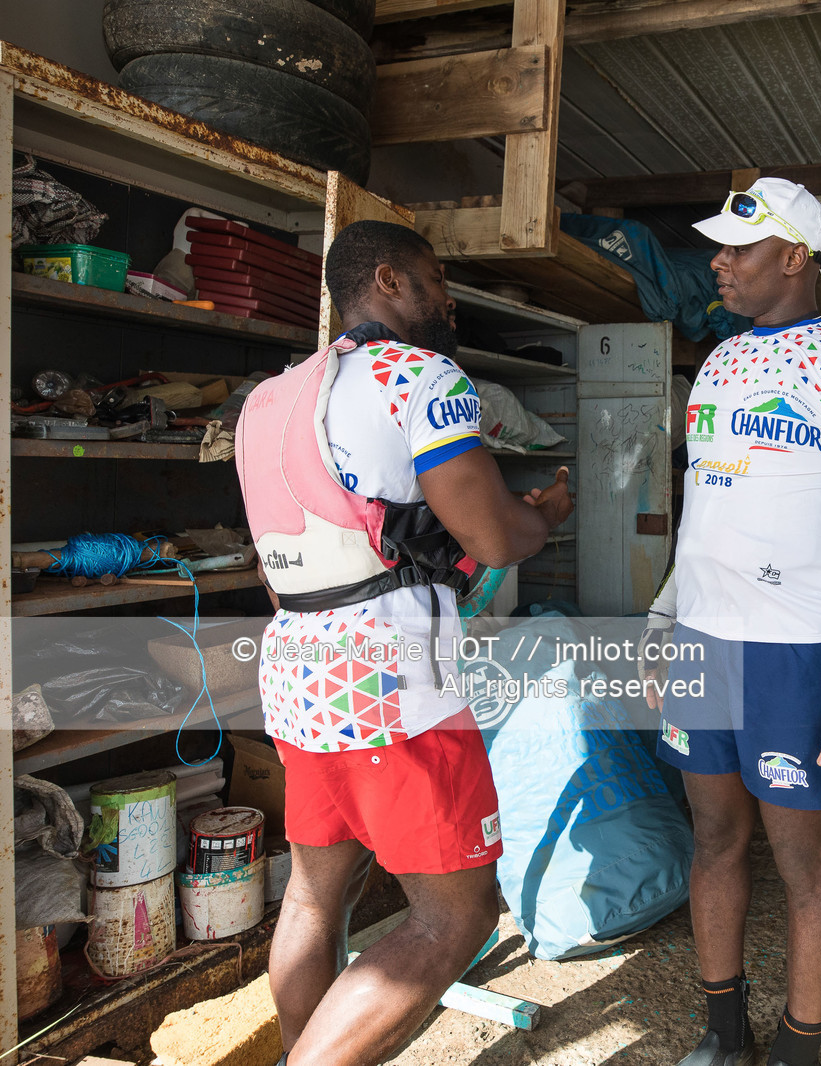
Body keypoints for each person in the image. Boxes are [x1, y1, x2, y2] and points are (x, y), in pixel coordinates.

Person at [234, 220, 573, 1066]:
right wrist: (543, 519)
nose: (448, 297)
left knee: (314, 902)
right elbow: (494, 539)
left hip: (296, 672)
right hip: (389, 683)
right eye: (434, 277)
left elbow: (285, 568)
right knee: (454, 915)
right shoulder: (421, 376)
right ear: (385, 279)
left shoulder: (268, 398)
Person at [642, 178, 821, 1066]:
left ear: (795, 256)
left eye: (739, 248)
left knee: (804, 865)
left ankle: (798, 1050)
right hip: (706, 641)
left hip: (800, 653)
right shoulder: (718, 362)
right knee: (716, 839)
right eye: (718, 246)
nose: (718, 262)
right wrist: (663, 615)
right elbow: (704, 513)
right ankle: (724, 1034)